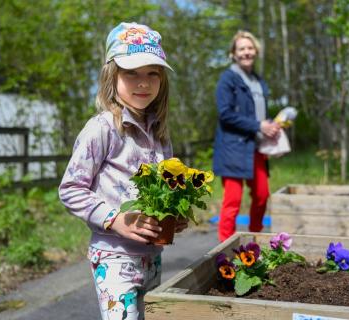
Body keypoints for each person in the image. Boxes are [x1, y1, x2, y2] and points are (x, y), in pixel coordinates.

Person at [59, 22, 188, 320]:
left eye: (152, 73)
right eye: (132, 72)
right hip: (114, 256)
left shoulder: (160, 134)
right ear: (111, 75)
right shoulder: (102, 129)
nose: (143, 82)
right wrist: (114, 219)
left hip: (152, 256)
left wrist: (174, 215)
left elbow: (165, 190)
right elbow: (71, 189)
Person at [213, 30, 281, 242]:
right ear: (233, 53)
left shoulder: (258, 81)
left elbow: (257, 113)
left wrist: (271, 126)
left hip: (256, 147)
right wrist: (258, 125)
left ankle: (254, 242)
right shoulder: (228, 79)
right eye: (241, 48)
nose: (246, 52)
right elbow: (225, 114)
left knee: (262, 196)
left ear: (256, 51)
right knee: (232, 201)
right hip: (233, 148)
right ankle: (225, 248)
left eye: (250, 48)